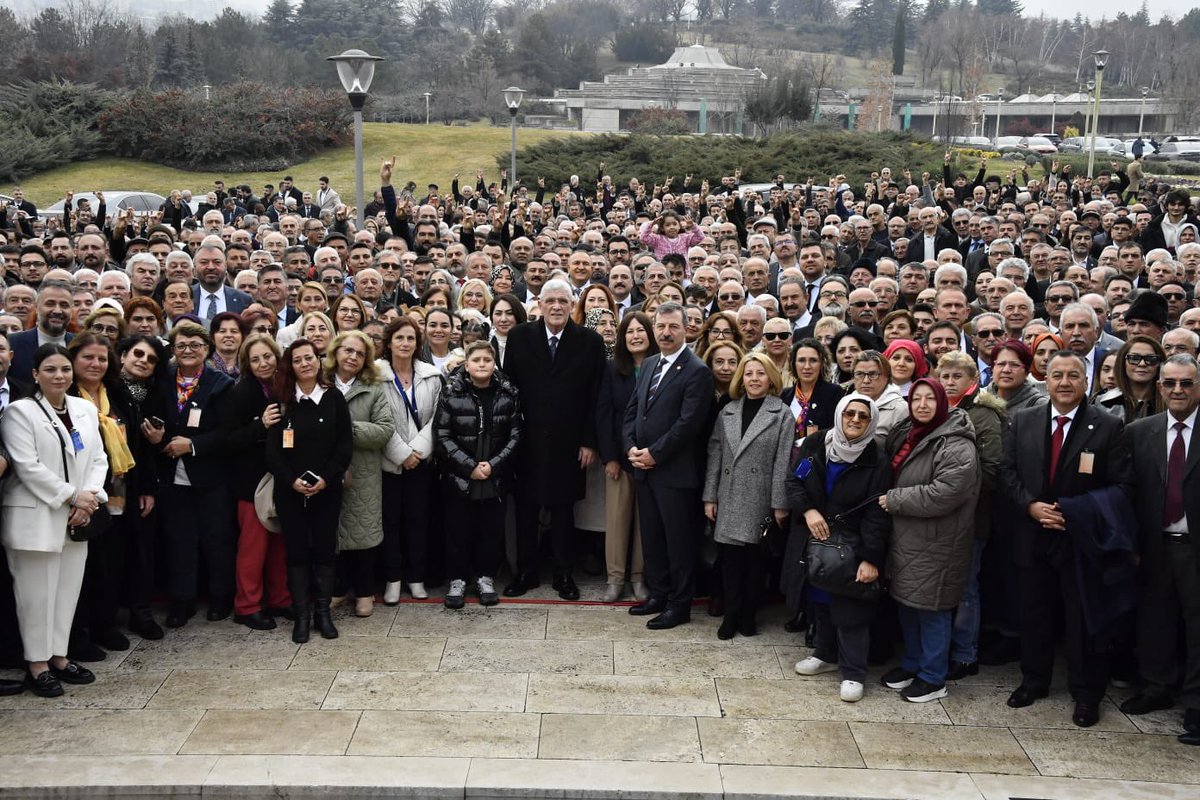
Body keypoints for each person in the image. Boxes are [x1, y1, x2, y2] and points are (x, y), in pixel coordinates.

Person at [1000, 350, 1134, 728]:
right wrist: (1030, 507)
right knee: (1034, 613)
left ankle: (1087, 693)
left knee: (1081, 620)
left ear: (1086, 380)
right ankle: (1035, 681)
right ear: (1045, 379)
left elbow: (1123, 487)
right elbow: (1007, 473)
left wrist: (1073, 512)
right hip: (1032, 534)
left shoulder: (1107, 425)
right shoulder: (1023, 420)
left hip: (1080, 540)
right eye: (1056, 374)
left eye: (1073, 375)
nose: (1063, 382)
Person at [3, 344, 108, 697]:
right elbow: (27, 466)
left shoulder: (84, 409)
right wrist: (71, 496)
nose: (59, 375)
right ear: (35, 374)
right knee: (35, 597)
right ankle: (36, 665)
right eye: (50, 370)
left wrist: (90, 497)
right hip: (37, 517)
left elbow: (98, 458)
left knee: (66, 592)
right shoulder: (20, 412)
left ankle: (60, 657)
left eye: (64, 369)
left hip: (78, 515)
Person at [502, 279, 606, 600]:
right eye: (551, 301)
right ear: (540, 305)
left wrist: (590, 441)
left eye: (563, 301)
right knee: (526, 510)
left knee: (563, 511)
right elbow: (510, 389)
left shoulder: (589, 341)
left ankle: (563, 574)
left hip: (570, 442)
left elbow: (596, 396)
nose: (557, 307)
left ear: (573, 305)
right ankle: (525, 572)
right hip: (527, 442)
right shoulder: (520, 337)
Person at [879, 378, 981, 703]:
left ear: (943, 402)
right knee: (908, 602)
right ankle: (912, 663)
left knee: (932, 608)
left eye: (929, 399)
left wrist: (895, 500)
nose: (922, 405)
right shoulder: (910, 432)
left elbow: (946, 492)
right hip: (906, 536)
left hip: (939, 540)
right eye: (916, 399)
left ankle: (933, 677)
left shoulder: (956, 442)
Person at [788, 393, 892, 703]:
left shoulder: (877, 459)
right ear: (840, 415)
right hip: (817, 540)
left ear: (871, 421)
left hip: (852, 544)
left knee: (850, 609)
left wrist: (871, 558)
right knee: (820, 599)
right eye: (850, 413)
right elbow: (793, 482)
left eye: (863, 415)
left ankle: (853, 672)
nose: (856, 420)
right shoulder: (817, 443)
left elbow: (877, 513)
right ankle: (825, 654)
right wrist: (808, 510)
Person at [66, 333, 158, 659]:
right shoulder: (65, 397)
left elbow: (138, 445)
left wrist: (146, 487)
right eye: (88, 358)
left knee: (112, 561)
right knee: (83, 566)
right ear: (73, 360)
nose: (95, 364)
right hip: (81, 496)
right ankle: (79, 633)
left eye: (102, 358)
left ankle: (106, 625)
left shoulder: (116, 395)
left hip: (121, 492)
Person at [623, 303, 715, 630]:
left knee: (679, 543)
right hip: (644, 470)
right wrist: (630, 447)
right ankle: (658, 594)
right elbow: (634, 411)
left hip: (675, 475)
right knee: (653, 538)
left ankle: (680, 604)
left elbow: (687, 425)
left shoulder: (697, 371)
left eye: (673, 327)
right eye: (661, 326)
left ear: (686, 328)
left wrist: (654, 454)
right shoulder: (649, 364)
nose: (665, 332)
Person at [1125, 355, 1200, 746]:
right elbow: (1129, 492)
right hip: (1154, 544)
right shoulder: (1140, 432)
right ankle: (1155, 687)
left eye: (1186, 383)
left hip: (1195, 546)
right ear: (1159, 387)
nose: (1178, 391)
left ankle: (1197, 705)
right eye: (1170, 383)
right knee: (1155, 618)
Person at [266, 339, 353, 643]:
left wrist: (327, 479)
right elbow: (273, 451)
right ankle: (302, 616)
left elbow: (344, 445)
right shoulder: (281, 402)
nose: (305, 364)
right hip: (290, 492)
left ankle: (323, 613)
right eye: (298, 360)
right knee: (298, 552)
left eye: (310, 358)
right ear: (290, 366)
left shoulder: (334, 398)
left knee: (325, 550)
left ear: (319, 361)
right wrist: (291, 481)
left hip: (326, 490)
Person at [703, 352, 793, 639]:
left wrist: (780, 503)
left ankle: (748, 615)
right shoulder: (727, 411)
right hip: (728, 495)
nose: (754, 379)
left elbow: (783, 461)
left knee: (754, 563)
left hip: (759, 497)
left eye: (760, 373)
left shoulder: (782, 414)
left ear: (771, 378)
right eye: (749, 373)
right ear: (741, 378)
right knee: (730, 562)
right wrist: (710, 496)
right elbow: (715, 454)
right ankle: (731, 615)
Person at [157, 321, 235, 628]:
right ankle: (182, 601)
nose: (188, 351)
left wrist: (192, 445)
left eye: (195, 346)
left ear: (207, 349)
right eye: (181, 346)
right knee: (180, 541)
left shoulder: (221, 384)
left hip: (209, 475)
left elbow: (228, 432)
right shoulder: (162, 380)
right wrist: (159, 439)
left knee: (217, 541)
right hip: (170, 477)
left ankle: (220, 598)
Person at [434, 341, 522, 609]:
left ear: (494, 363)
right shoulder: (451, 392)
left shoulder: (508, 393)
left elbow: (515, 436)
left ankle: (486, 578)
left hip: (494, 477)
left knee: (490, 531)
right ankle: (458, 580)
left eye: (487, 359)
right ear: (467, 364)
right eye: (476, 360)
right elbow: (442, 435)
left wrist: (493, 465)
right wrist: (468, 465)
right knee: (458, 531)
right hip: (460, 477)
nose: (482, 364)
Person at [934, 351, 1006, 680]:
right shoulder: (934, 409)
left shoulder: (984, 414)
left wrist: (954, 492)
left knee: (965, 587)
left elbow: (992, 469)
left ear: (973, 380)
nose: (950, 382)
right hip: (936, 516)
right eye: (945, 376)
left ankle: (965, 653)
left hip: (971, 517)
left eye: (957, 376)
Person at [222, 334, 290, 630]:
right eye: (255, 359)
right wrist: (259, 425)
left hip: (281, 478)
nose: (263, 363)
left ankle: (281, 599)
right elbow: (229, 439)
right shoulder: (240, 392)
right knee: (253, 547)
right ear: (246, 364)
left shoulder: (284, 387)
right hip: (252, 483)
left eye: (267, 356)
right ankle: (247, 606)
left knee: (279, 544)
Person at [327, 330, 394, 617]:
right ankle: (338, 590)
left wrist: (345, 429)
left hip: (363, 471)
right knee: (332, 533)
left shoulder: (373, 387)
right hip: (325, 470)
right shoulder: (320, 383)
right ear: (336, 352)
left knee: (363, 534)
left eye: (359, 353)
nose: (353, 357)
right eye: (348, 351)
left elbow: (383, 430)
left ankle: (365, 592)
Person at [379, 317, 444, 604]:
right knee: (390, 523)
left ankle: (416, 578)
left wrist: (417, 452)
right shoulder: (376, 375)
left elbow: (436, 418)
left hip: (421, 462)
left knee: (418, 521)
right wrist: (401, 454)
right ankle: (393, 579)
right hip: (389, 463)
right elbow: (378, 418)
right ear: (389, 343)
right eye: (399, 338)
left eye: (410, 339)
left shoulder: (431, 375)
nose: (405, 344)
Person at [597, 311, 656, 603]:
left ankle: (638, 578)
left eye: (640, 331)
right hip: (620, 458)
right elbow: (604, 414)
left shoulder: (660, 368)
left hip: (652, 458)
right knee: (618, 520)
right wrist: (610, 456)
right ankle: (615, 579)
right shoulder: (612, 369)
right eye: (629, 331)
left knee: (645, 523)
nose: (635, 336)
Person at [1094, 335, 1165, 423]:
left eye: (1150, 359)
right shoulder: (1104, 402)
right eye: (1134, 358)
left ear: (1160, 364)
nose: (1142, 364)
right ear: (1123, 363)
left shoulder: (1169, 402)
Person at [782, 339, 843, 440]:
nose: (807, 366)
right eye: (801, 360)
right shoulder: (784, 395)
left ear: (822, 363)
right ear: (793, 363)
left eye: (813, 360)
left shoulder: (834, 393)